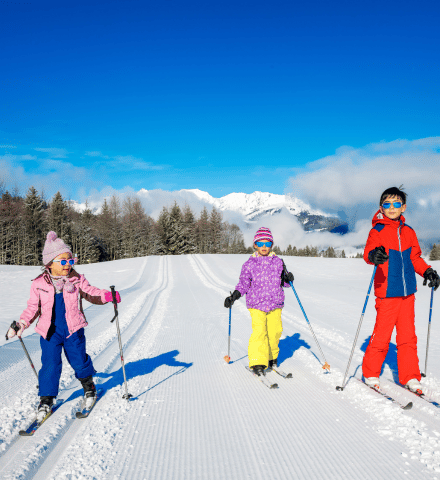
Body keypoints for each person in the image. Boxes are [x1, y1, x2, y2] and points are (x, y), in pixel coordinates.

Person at [6, 231, 121, 422]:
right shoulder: (39, 283)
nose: (68, 265)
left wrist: (107, 296)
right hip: (49, 332)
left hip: (73, 329)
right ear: (50, 263)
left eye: (71, 260)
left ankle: (89, 387)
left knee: (79, 360)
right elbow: (33, 308)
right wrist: (21, 324)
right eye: (63, 261)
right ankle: (46, 399)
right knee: (50, 365)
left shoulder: (76, 279)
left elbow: (91, 292)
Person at [363, 187, 440, 394]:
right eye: (387, 204)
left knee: (407, 337)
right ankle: (371, 372)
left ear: (403, 207)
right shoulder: (377, 231)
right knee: (382, 335)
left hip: (408, 294)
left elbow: (415, 258)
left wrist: (428, 271)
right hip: (387, 293)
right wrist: (374, 256)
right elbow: (368, 253)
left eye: (396, 203)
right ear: (381, 208)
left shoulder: (409, 232)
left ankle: (411, 376)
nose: (391, 208)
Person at [224, 227, 293, 376]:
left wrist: (288, 279)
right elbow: (243, 284)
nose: (264, 247)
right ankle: (257, 362)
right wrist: (235, 295)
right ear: (255, 244)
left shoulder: (279, 262)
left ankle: (271, 358)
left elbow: (285, 283)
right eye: (260, 243)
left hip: (275, 304)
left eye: (267, 244)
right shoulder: (249, 264)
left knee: (275, 332)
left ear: (271, 245)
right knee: (260, 332)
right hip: (256, 305)